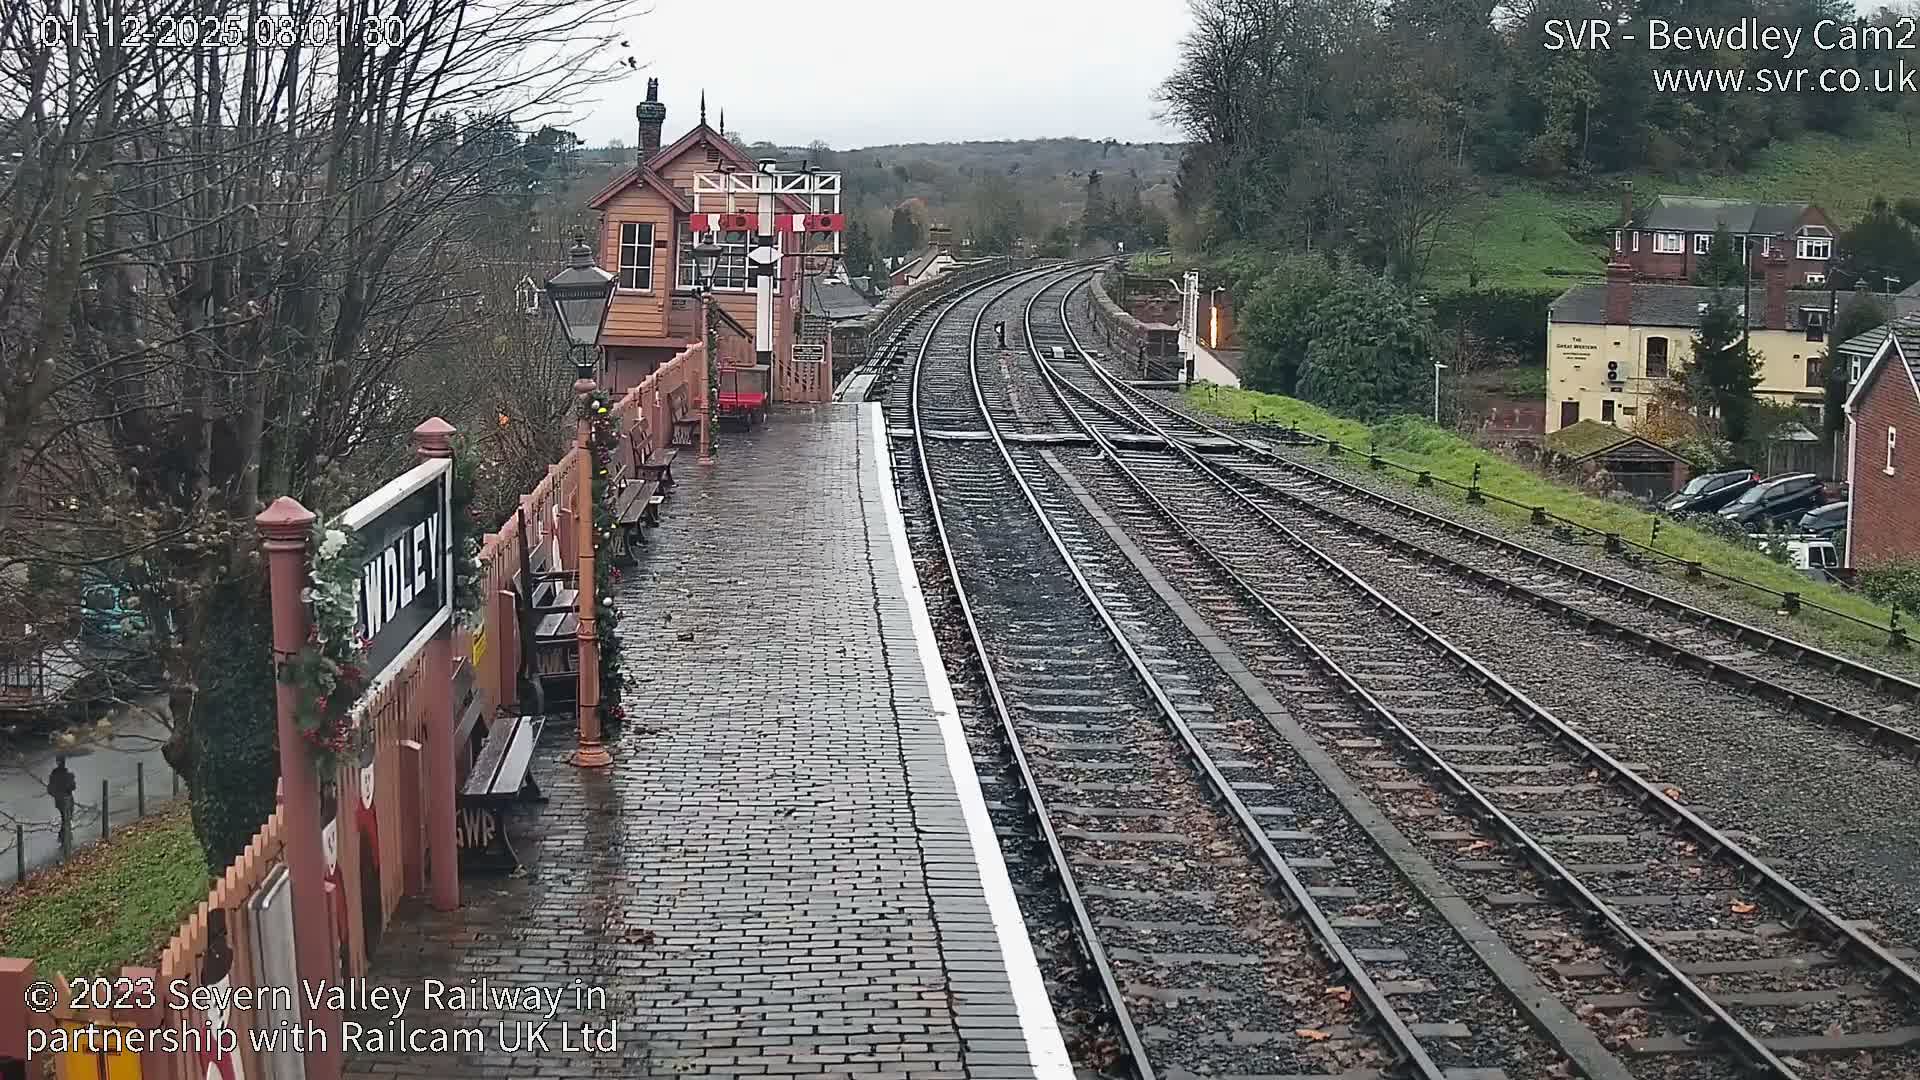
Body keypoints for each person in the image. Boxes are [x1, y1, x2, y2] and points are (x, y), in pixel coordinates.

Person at [47, 754, 76, 855]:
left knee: (65, 818)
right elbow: (72, 787)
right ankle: (65, 837)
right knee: (67, 818)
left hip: (60, 801)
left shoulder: (54, 774)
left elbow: (50, 789)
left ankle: (65, 836)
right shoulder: (66, 774)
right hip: (66, 800)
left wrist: (56, 794)